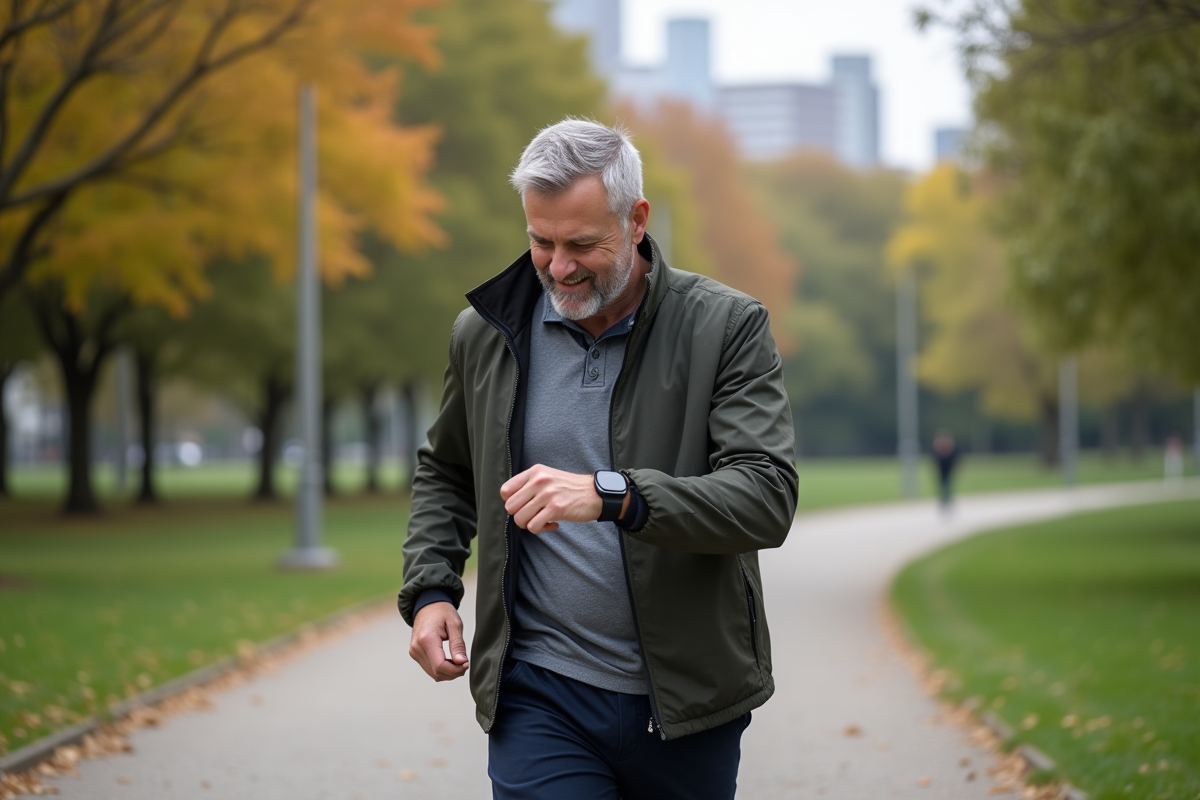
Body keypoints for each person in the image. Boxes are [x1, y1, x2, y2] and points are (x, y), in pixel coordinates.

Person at [397, 119, 798, 800]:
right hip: (538, 691)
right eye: (541, 241)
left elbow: (765, 497)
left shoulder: (726, 327)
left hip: (687, 702)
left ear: (636, 220)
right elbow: (448, 471)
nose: (559, 267)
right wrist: (431, 590)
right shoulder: (484, 334)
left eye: (583, 244)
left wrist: (615, 495)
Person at [931, 430, 959, 510]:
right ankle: (944, 500)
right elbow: (934, 460)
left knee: (947, 485)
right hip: (941, 470)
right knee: (942, 485)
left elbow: (955, 459)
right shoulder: (937, 449)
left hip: (948, 470)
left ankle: (947, 500)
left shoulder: (951, 449)